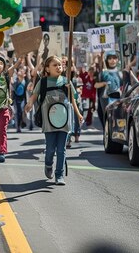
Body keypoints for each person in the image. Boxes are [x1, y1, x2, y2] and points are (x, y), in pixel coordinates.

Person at [24, 56, 82, 185]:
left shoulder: (66, 81)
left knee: (61, 150)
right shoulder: (43, 82)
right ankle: (48, 164)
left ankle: (59, 175)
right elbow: (34, 96)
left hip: (65, 120)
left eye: (60, 65)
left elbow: (73, 100)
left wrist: (78, 114)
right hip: (49, 122)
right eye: (54, 65)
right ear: (47, 68)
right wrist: (29, 105)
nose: (58, 67)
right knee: (50, 149)